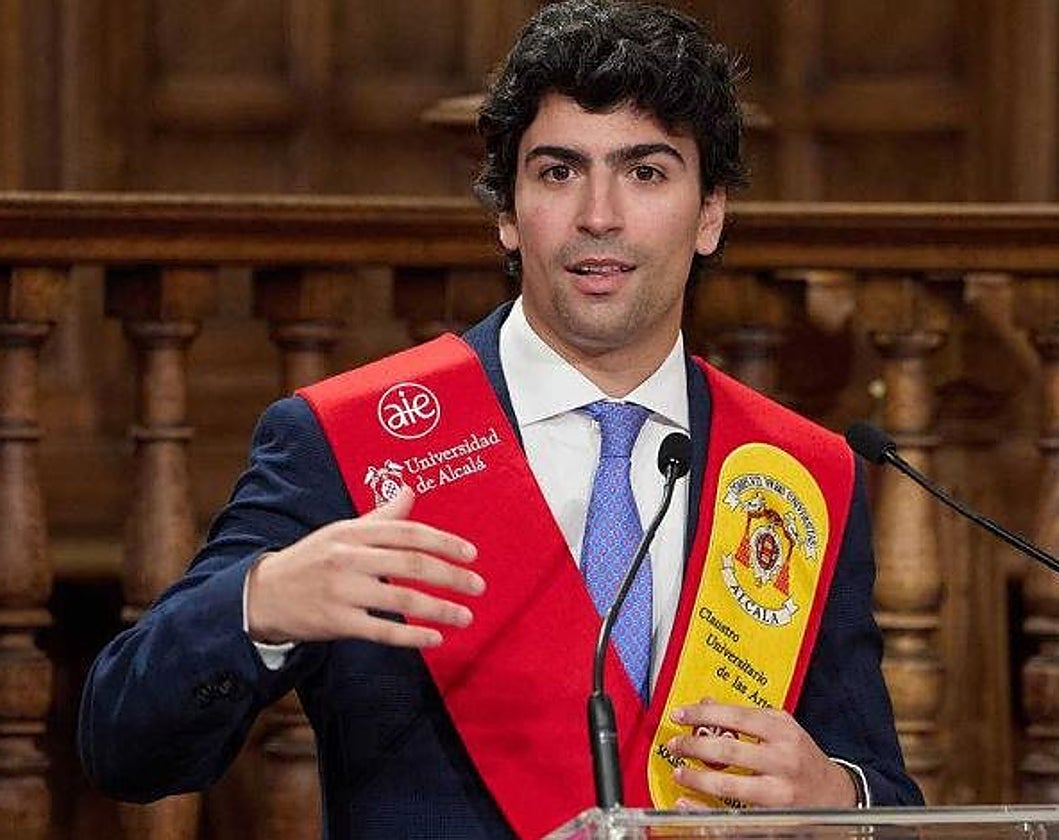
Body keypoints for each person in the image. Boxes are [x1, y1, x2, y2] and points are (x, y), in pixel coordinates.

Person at [79, 2, 923, 837]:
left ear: (710, 215)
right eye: (558, 172)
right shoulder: (345, 442)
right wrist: (256, 605)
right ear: (508, 214)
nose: (599, 215)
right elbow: (123, 746)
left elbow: (887, 796)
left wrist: (838, 797)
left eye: (645, 173)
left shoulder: (796, 475)